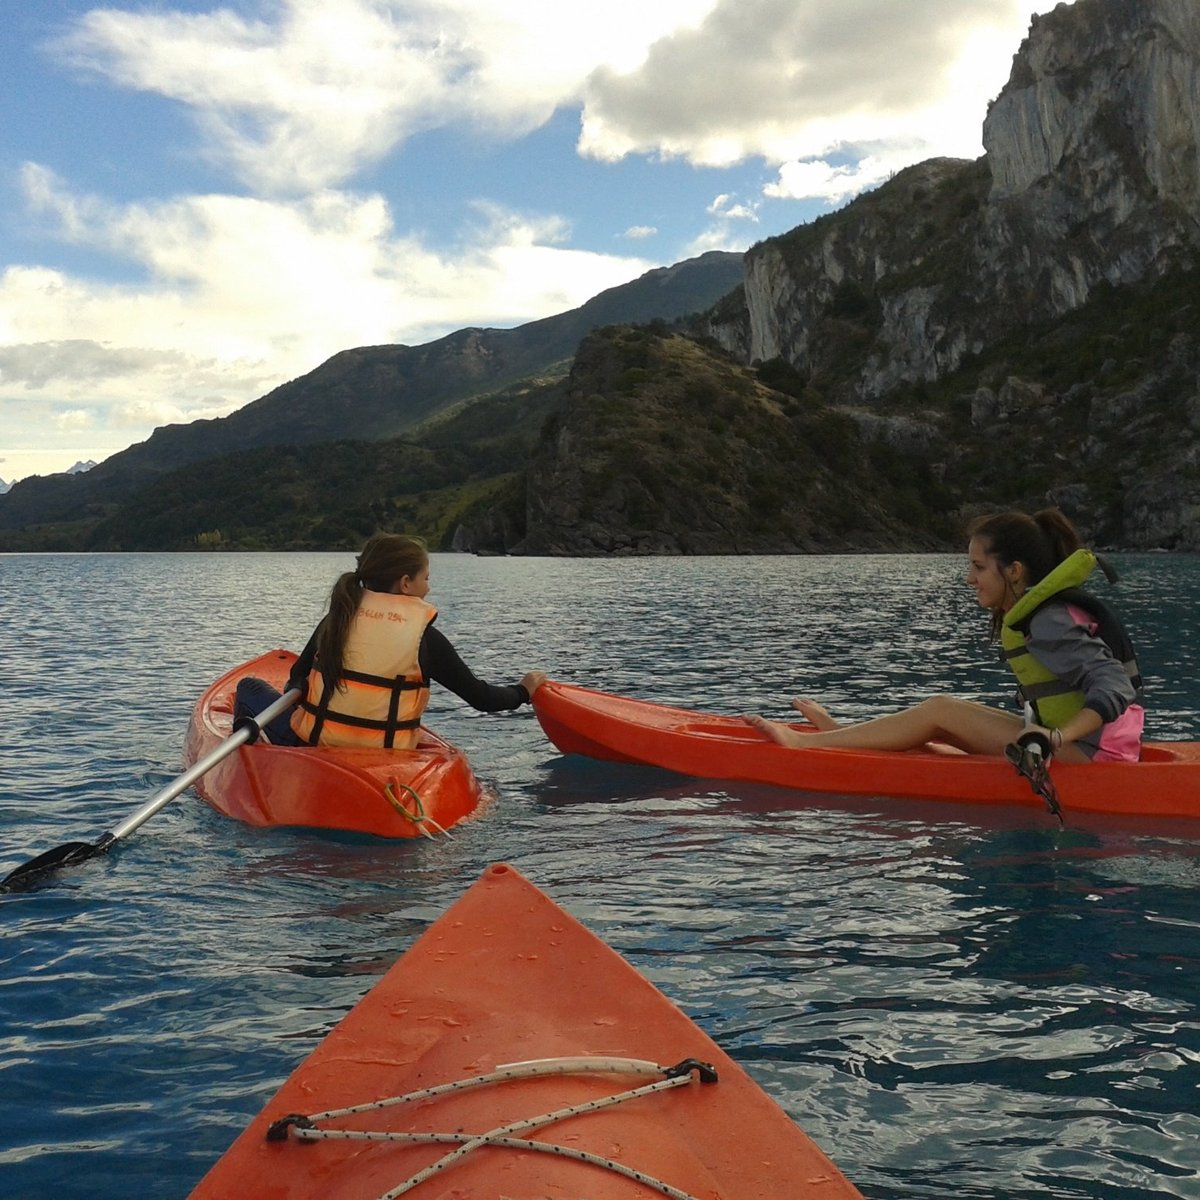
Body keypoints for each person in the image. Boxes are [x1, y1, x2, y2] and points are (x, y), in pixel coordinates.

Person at [745, 508, 1144, 763]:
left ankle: (806, 747)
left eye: (978, 567)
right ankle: (844, 738)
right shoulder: (1038, 615)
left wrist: (1056, 736)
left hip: (1094, 756)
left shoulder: (1049, 620)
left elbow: (1114, 684)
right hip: (1089, 749)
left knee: (941, 711)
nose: (970, 579)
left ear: (1015, 571)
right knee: (944, 729)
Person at [234, 533, 546, 748]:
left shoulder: (337, 619)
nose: (429, 587)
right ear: (406, 583)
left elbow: (298, 673)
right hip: (386, 757)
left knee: (248, 687)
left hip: (313, 745)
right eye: (426, 578)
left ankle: (254, 754)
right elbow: (483, 699)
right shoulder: (425, 639)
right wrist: (523, 690)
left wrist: (295, 688)